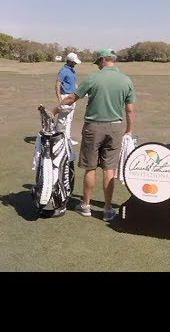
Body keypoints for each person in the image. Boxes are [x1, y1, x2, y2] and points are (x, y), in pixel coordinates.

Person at [52, 48, 135, 222]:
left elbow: (72, 98)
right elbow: (129, 109)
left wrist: (56, 108)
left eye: (98, 62)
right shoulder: (126, 80)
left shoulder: (92, 78)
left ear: (104, 60)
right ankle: (107, 209)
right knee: (109, 169)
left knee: (90, 168)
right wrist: (129, 130)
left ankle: (86, 206)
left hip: (93, 128)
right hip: (115, 128)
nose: (97, 65)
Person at [55, 52, 81, 146]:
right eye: (74, 62)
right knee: (63, 119)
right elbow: (58, 84)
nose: (75, 63)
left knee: (69, 119)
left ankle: (67, 138)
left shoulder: (72, 70)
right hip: (65, 97)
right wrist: (60, 99)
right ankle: (59, 139)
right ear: (69, 61)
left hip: (72, 97)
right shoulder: (63, 70)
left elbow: (72, 83)